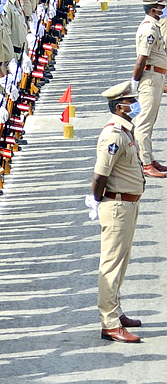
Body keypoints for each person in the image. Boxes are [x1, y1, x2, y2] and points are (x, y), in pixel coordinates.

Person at [87, 80, 145, 343]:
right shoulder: (113, 135)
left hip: (128, 203)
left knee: (121, 263)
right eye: (131, 102)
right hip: (117, 204)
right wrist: (97, 200)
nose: (135, 105)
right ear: (120, 107)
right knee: (110, 265)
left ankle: (115, 309)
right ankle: (109, 322)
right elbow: (100, 175)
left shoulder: (125, 131)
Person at [130, 0, 167, 177]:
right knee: (144, 122)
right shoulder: (149, 29)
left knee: (150, 120)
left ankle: (149, 158)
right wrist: (135, 82)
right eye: (161, 7)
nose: (163, 9)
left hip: (157, 76)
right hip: (150, 78)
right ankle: (145, 163)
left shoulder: (154, 25)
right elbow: (141, 59)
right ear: (154, 9)